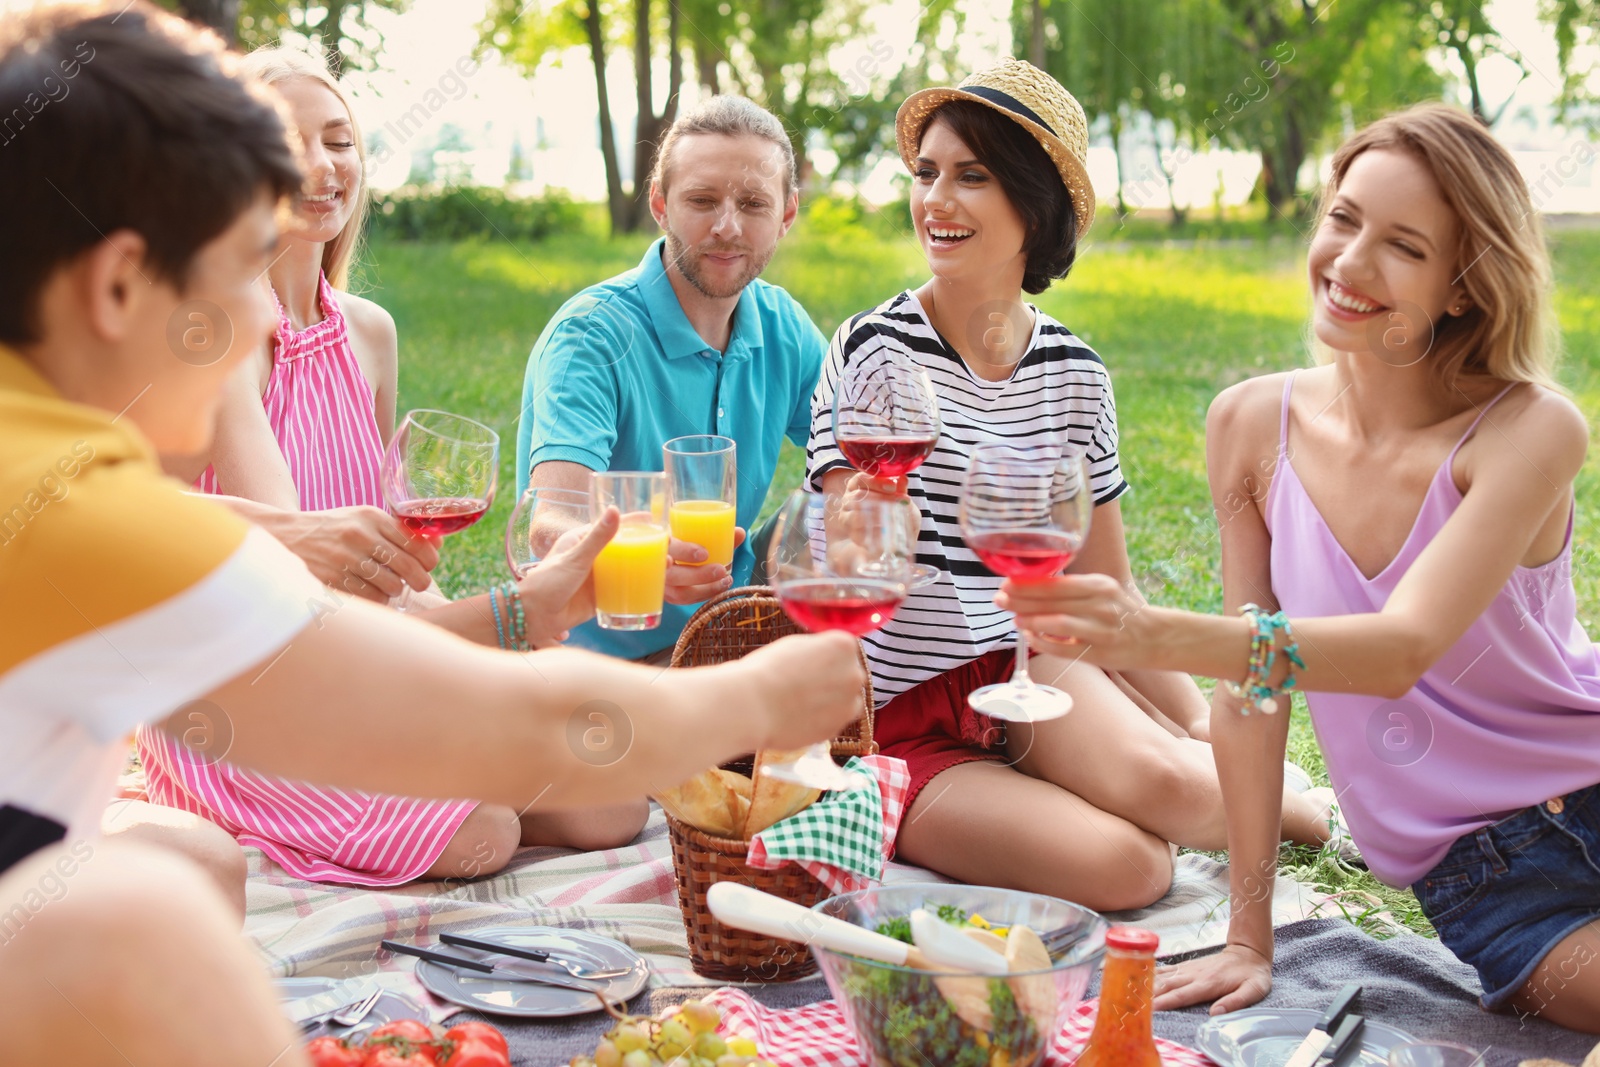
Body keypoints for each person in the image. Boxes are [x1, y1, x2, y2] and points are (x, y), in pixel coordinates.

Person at [0, 5, 864, 1063]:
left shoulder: (58, 468)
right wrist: (759, 694)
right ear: (120, 284)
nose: (274, 324)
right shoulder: (80, 514)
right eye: (236, 268)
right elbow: (452, 712)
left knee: (180, 867)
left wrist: (530, 609)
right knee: (144, 919)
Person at [1001, 104, 1600, 1031]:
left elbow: (1399, 647)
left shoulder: (1528, 429)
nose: (1351, 265)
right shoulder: (1250, 425)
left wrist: (1148, 631)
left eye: (1404, 246)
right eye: (1344, 219)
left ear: (1464, 288)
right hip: (1493, 883)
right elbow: (1254, 691)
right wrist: (1249, 934)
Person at [806, 59, 1332, 914]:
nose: (935, 201)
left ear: (1033, 205)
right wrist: (873, 521)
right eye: (926, 173)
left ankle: (1311, 814)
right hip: (897, 713)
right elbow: (846, 565)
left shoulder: (1075, 372)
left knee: (1194, 791)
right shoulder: (876, 350)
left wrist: (1197, 723)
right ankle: (1215, 796)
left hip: (1025, 668)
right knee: (1132, 869)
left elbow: (1103, 585)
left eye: (970, 176)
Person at [131, 46, 647, 892]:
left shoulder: (369, 332)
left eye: (338, 139)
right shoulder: (222, 341)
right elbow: (301, 610)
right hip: (251, 698)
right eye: (286, 140)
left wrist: (491, 648)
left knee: (613, 803)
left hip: (361, 669)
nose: (321, 165)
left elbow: (394, 568)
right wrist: (509, 622)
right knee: (484, 830)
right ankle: (242, 805)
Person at [516, 95, 826, 662]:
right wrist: (645, 561)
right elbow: (552, 523)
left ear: (786, 214)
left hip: (723, 633)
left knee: (844, 492)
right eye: (702, 201)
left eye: (754, 204)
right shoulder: (593, 336)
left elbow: (856, 453)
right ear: (660, 204)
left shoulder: (784, 326)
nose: (727, 227)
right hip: (593, 657)